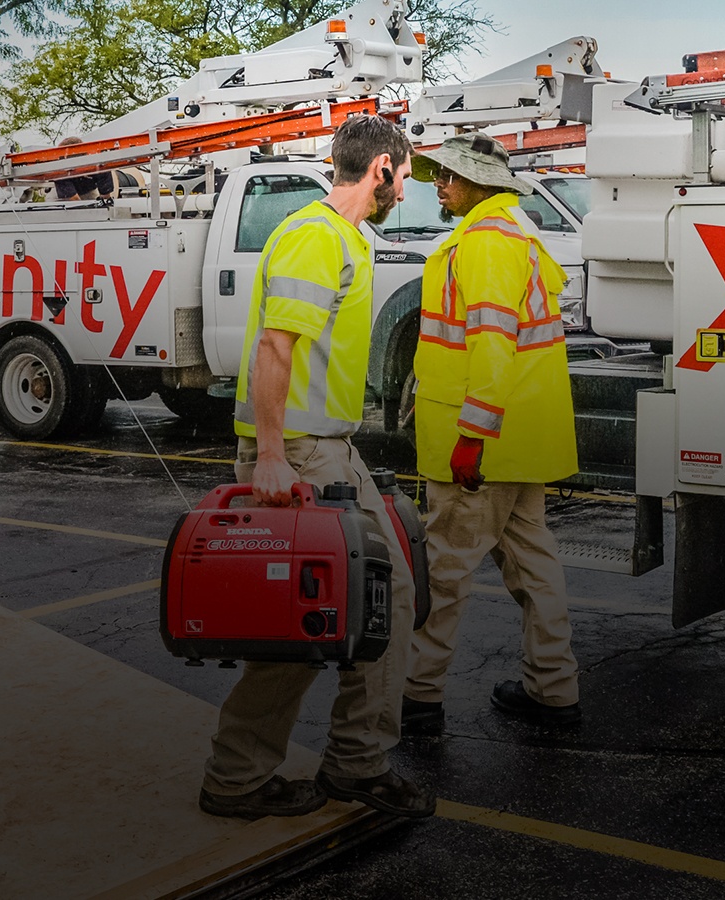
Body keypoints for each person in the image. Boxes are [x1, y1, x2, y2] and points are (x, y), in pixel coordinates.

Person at [199, 114, 436, 821]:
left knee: (321, 613)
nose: (412, 183)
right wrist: (271, 457)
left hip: (325, 447)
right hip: (300, 454)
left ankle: (254, 774)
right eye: (408, 170)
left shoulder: (341, 238)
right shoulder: (315, 237)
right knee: (346, 608)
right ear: (383, 170)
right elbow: (275, 348)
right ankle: (334, 767)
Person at [399, 133, 582, 735]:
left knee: (445, 569)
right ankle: (554, 690)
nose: (439, 185)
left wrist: (472, 433)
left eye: (451, 176)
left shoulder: (483, 241)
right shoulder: (516, 231)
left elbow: (492, 339)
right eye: (440, 175)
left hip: (481, 441)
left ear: (485, 184)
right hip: (520, 438)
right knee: (534, 566)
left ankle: (420, 699)